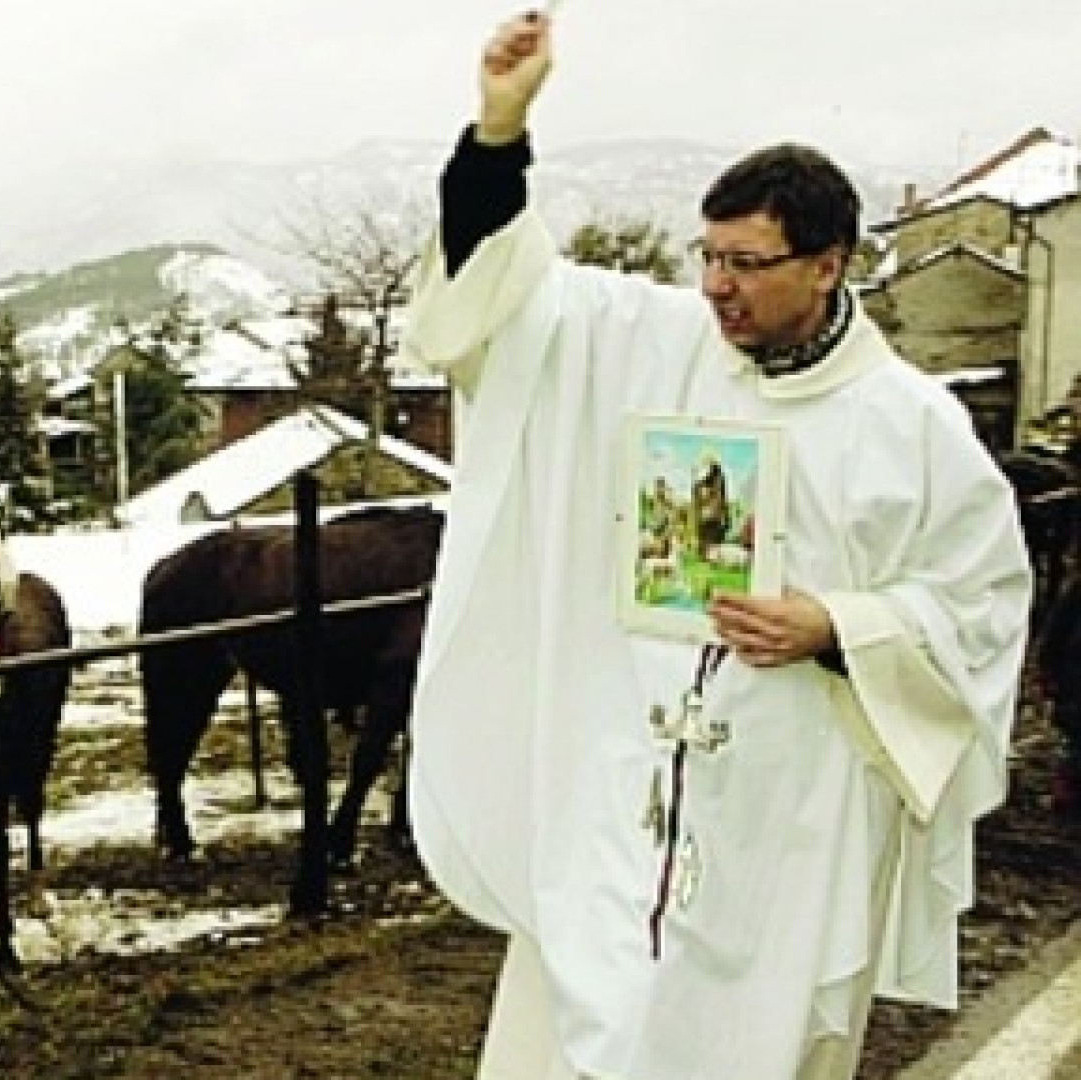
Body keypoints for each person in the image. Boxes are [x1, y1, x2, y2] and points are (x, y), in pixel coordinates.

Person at [399, 9, 1033, 1080]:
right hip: (626, 774)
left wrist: (839, 622)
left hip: (795, 802)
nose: (715, 287)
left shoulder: (910, 423)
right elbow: (506, 300)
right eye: (708, 255)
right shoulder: (651, 347)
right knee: (579, 1016)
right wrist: (499, 133)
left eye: (747, 263)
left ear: (828, 265)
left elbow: (979, 604)